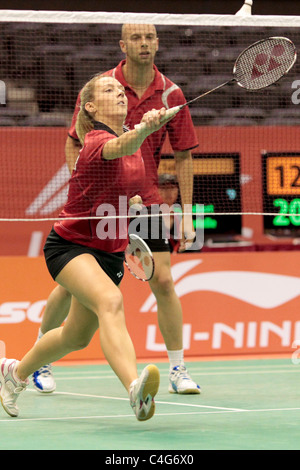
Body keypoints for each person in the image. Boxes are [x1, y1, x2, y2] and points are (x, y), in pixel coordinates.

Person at [33, 23, 201, 395]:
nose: (144, 43)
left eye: (150, 37)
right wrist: (87, 188)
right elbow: (78, 141)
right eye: (136, 38)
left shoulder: (171, 93)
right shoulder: (101, 88)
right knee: (70, 288)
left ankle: (178, 368)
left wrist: (188, 213)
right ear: (123, 44)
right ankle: (40, 357)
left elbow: (185, 156)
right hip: (99, 206)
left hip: (145, 200)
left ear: (158, 43)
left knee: (165, 281)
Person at [0, 74, 172, 421]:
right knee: (110, 301)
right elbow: (119, 148)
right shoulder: (95, 139)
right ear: (91, 107)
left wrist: (132, 202)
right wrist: (144, 130)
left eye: (120, 90)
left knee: (75, 337)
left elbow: (124, 186)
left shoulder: (130, 143)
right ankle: (134, 390)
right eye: (109, 91)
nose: (120, 94)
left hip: (108, 252)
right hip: (70, 246)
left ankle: (13, 374)